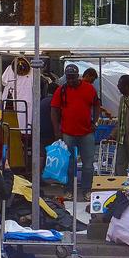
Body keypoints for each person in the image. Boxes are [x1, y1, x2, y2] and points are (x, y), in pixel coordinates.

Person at [51, 64, 100, 198]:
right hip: (68, 133)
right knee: (68, 163)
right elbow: (54, 110)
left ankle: (87, 190)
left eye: (73, 78)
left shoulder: (89, 88)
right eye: (68, 78)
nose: (70, 81)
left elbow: (97, 105)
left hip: (87, 133)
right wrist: (57, 131)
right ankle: (68, 190)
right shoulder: (61, 90)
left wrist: (95, 121)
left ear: (78, 75)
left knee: (88, 164)